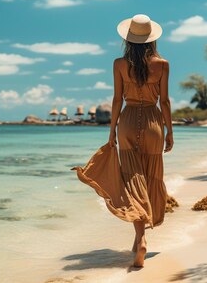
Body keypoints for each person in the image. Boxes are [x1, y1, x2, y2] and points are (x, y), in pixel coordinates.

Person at [72, 14, 173, 268]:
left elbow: (117, 100)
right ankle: (141, 238)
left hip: (127, 122)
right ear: (151, 40)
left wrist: (111, 131)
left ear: (128, 39)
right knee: (149, 178)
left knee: (132, 180)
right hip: (153, 122)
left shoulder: (118, 64)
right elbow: (165, 101)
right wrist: (170, 131)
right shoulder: (162, 65)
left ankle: (139, 238)